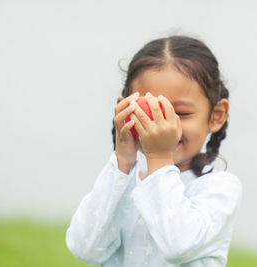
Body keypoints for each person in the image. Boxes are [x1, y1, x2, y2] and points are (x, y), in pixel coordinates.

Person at [66, 35, 242, 267]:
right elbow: (84, 248)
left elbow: (178, 246)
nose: (164, 125)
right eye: (150, 112)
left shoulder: (218, 188)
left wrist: (159, 158)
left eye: (181, 113)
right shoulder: (121, 182)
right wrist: (122, 162)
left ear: (216, 115)